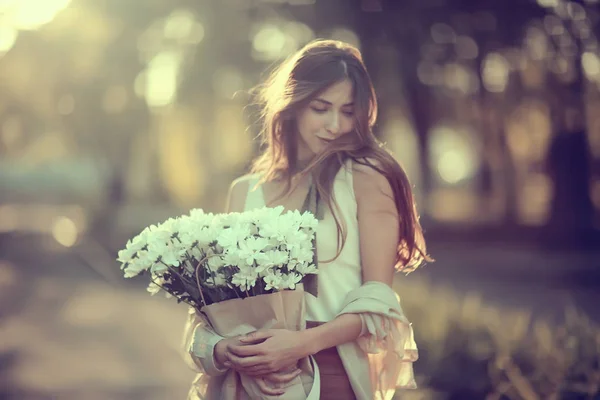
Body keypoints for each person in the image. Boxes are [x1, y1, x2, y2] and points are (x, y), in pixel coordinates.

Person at [182, 39, 431, 400]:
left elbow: (379, 304)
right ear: (293, 104)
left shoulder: (366, 177)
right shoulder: (243, 191)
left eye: (348, 111)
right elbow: (215, 301)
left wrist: (298, 345)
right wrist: (224, 349)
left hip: (329, 368)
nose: (335, 125)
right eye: (321, 108)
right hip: (247, 375)